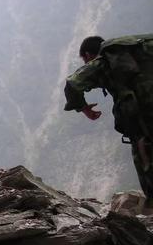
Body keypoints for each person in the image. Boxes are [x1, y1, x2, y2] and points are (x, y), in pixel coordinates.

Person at [64, 34, 153, 209]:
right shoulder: (143, 51)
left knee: (146, 160)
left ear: (88, 56)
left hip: (145, 125)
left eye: (85, 60)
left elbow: (73, 84)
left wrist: (84, 109)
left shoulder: (104, 63)